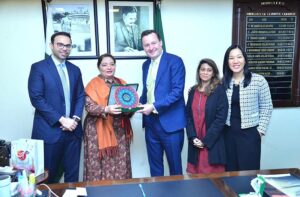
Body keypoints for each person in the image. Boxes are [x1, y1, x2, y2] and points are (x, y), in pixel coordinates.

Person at [28, 32, 85, 183]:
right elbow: (37, 99)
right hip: (49, 132)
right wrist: (61, 120)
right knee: (47, 178)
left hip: (73, 132)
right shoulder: (38, 68)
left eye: (68, 45)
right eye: (60, 44)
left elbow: (80, 96)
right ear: (51, 46)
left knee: (72, 177)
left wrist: (74, 120)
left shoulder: (75, 70)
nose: (64, 48)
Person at [138, 30, 186, 176]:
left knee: (175, 169)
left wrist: (154, 106)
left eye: (153, 43)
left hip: (170, 124)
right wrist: (133, 104)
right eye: (146, 45)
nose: (150, 47)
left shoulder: (175, 61)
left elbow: (177, 92)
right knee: (155, 168)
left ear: (160, 43)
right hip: (151, 124)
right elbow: (148, 92)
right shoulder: (145, 65)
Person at [222, 44, 273, 171]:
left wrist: (259, 132)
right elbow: (209, 95)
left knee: (249, 173)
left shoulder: (259, 80)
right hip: (228, 134)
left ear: (245, 59)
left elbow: (267, 107)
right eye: (231, 58)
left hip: (250, 135)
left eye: (239, 57)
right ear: (227, 61)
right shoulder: (223, 82)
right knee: (230, 173)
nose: (235, 61)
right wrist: (193, 90)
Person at [83, 53, 133, 181]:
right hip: (97, 130)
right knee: (98, 163)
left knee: (120, 162)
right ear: (99, 67)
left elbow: (127, 105)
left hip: (119, 130)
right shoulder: (93, 84)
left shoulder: (122, 83)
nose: (109, 67)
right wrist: (106, 109)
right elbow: (89, 107)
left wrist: (132, 107)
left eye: (112, 64)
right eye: (104, 65)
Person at [186, 58, 228, 174]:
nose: (205, 72)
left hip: (211, 144)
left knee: (213, 183)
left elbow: (220, 119)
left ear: (213, 73)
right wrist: (192, 137)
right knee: (196, 184)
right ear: (198, 71)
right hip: (195, 143)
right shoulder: (193, 91)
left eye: (209, 70)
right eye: (203, 69)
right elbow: (188, 116)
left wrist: (205, 141)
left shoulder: (219, 91)